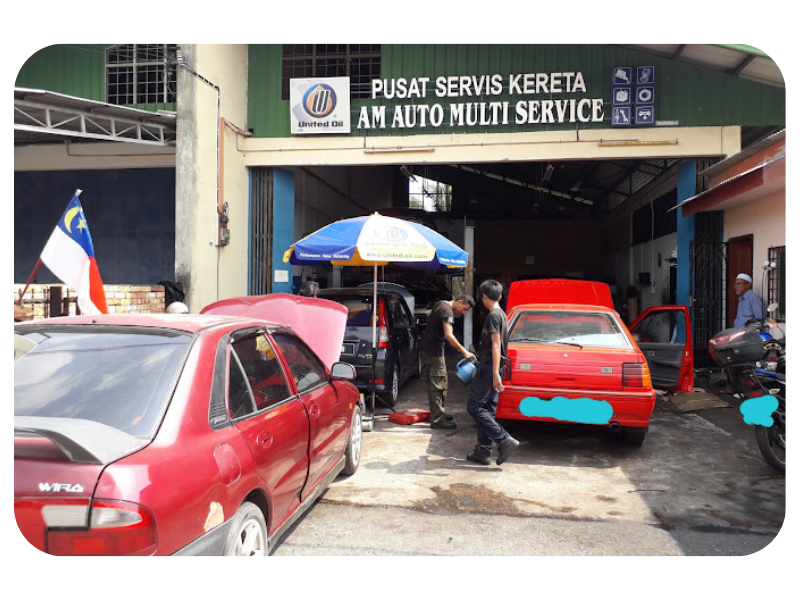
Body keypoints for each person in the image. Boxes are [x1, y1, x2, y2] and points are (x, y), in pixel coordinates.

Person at [466, 279, 519, 466]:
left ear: (484, 297)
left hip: (491, 367)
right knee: (487, 409)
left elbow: (497, 345)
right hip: (491, 366)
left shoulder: (493, 317)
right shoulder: (503, 315)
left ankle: (504, 439)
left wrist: (494, 372)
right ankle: (484, 450)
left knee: (474, 407)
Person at [420, 294, 476, 430]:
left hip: (429, 350)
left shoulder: (440, 303)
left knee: (440, 383)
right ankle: (437, 420)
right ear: (460, 301)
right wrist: (465, 352)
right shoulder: (447, 311)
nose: (462, 313)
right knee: (437, 386)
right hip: (434, 353)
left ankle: (438, 413)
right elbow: (449, 335)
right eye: (464, 309)